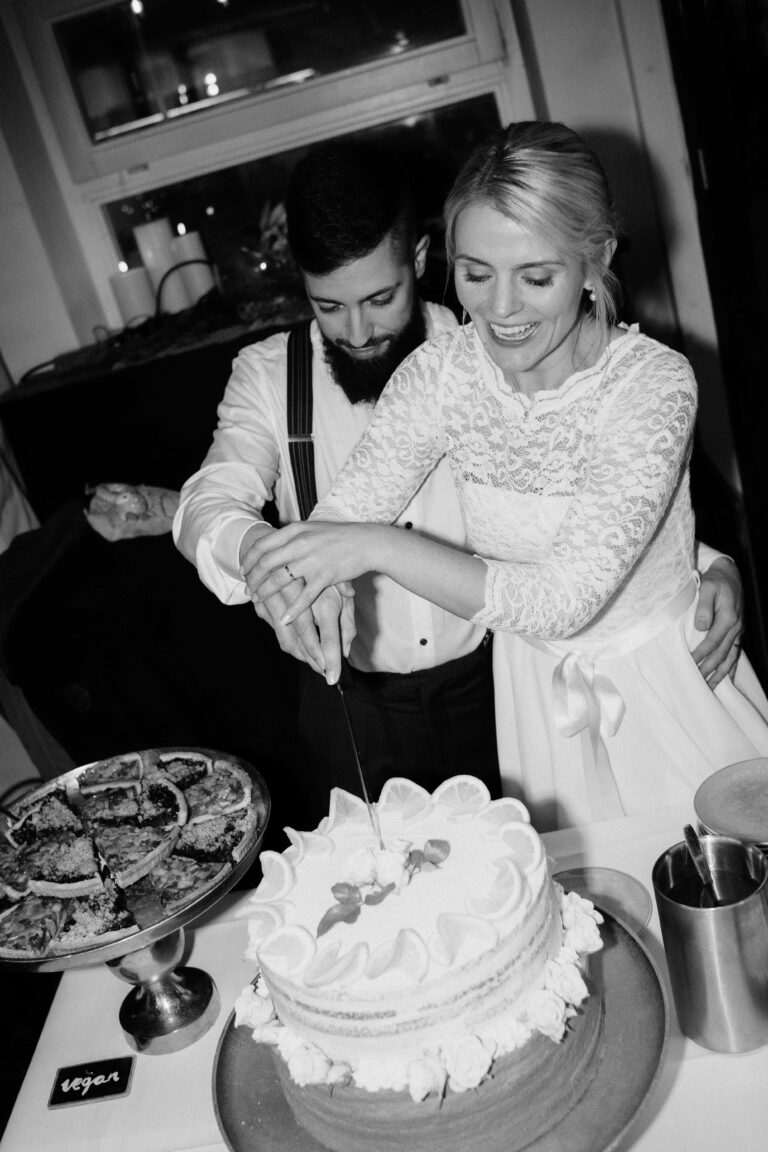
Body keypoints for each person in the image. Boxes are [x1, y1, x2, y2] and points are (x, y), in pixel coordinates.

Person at [242, 121, 762, 832]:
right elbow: (344, 513)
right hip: (534, 703)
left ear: (595, 260)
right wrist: (307, 583)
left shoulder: (655, 384)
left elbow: (561, 600)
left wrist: (367, 548)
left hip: (668, 685)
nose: (500, 310)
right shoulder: (442, 371)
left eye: (536, 277)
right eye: (476, 274)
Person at [174, 140, 504, 826]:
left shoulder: (486, 355)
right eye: (329, 306)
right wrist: (271, 566)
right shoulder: (268, 377)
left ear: (418, 259)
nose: (359, 331)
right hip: (351, 707)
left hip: (499, 682)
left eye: (381, 298)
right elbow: (206, 504)